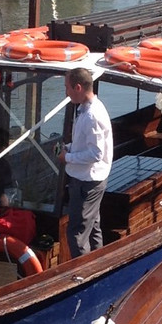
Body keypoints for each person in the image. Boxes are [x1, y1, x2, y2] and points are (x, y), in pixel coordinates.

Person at [58, 67, 112, 258]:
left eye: (67, 87)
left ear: (78, 87)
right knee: (93, 225)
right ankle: (98, 263)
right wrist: (70, 148)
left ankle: (83, 274)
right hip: (89, 180)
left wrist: (68, 158)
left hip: (86, 183)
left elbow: (96, 153)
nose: (66, 92)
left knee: (77, 232)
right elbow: (87, 144)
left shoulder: (92, 116)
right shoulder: (88, 109)